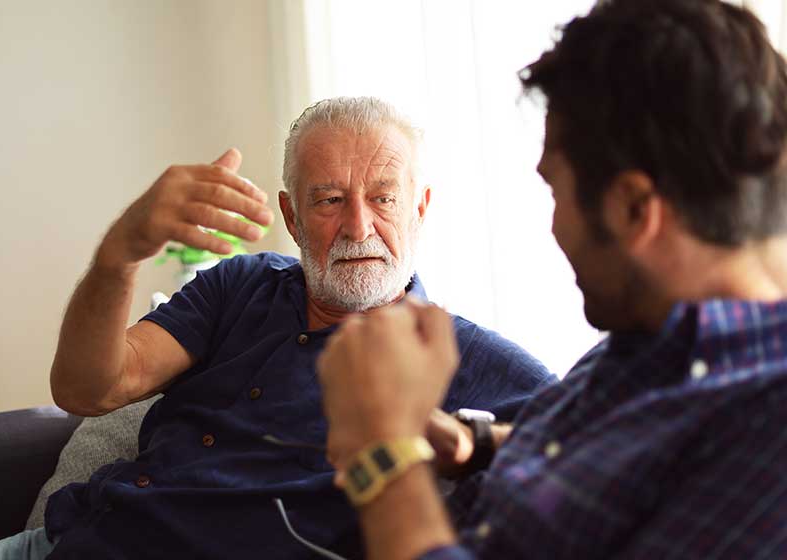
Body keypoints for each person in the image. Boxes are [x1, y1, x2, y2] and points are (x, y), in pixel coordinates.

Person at [0, 97, 554, 560]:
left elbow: (585, 446)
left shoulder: (466, 359)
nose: (359, 226)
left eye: (383, 198)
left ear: (420, 208)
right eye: (328, 200)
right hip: (66, 543)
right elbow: (90, 390)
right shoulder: (240, 284)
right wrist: (120, 257)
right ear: (291, 216)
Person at [316, 1, 787, 558]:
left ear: (635, 209)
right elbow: (639, 456)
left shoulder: (768, 433)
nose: (555, 224)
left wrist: (384, 450)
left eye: (555, 190)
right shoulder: (652, 337)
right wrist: (478, 443)